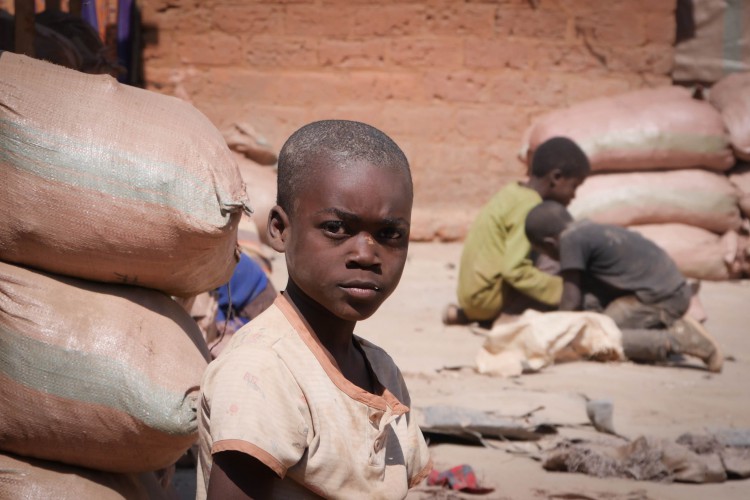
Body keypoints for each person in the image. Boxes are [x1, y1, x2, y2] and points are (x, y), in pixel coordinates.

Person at [196, 120, 432, 499]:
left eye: (390, 234)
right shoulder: (264, 370)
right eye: (337, 227)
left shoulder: (381, 370)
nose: (365, 254)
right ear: (279, 230)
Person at [524, 200, 723, 372]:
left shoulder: (569, 240)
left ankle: (678, 339)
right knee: (592, 314)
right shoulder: (585, 229)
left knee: (598, 337)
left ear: (550, 243)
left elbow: (571, 298)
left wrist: (556, 333)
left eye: (545, 253)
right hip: (664, 290)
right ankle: (660, 326)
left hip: (659, 297)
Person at [443, 137, 591, 327]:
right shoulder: (530, 208)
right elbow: (515, 270)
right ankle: (507, 319)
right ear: (556, 178)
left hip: (473, 299)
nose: (574, 196)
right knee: (553, 259)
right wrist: (566, 291)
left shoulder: (513, 192)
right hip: (487, 301)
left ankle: (466, 316)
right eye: (574, 186)